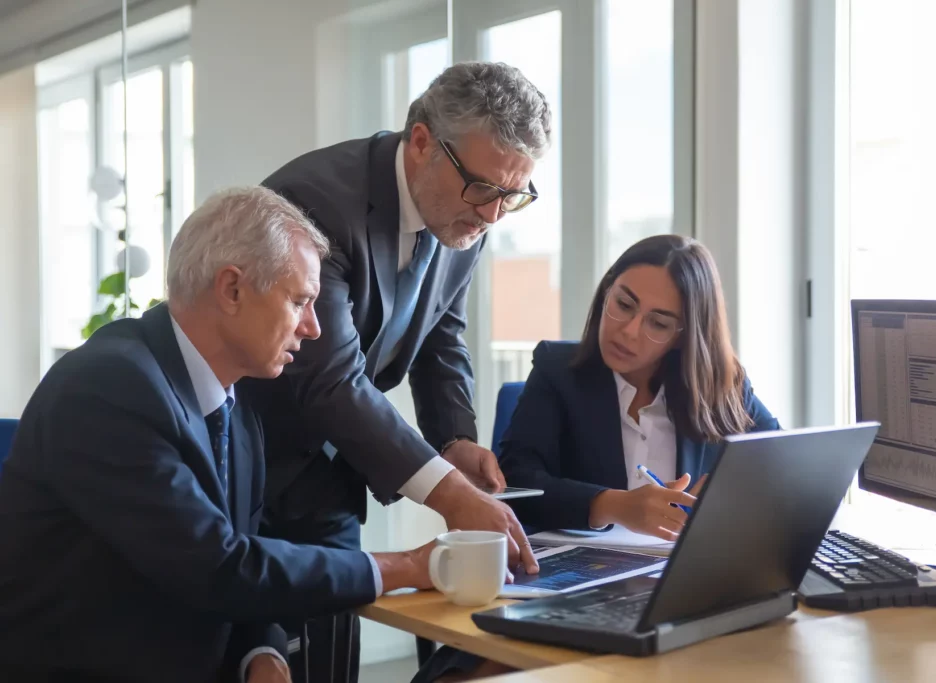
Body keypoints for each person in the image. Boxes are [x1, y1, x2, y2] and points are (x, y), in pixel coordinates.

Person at [0, 187, 437, 683]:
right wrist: (404, 566)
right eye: (300, 301)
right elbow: (218, 567)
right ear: (232, 289)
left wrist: (263, 655)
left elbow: (240, 562)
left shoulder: (237, 403)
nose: (314, 328)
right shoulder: (108, 386)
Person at [248, 61, 552, 677]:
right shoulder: (314, 203)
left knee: (329, 662)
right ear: (421, 143)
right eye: (485, 190)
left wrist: (456, 440)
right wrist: (450, 492)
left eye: (512, 195)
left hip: (332, 473)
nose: (494, 215)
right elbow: (329, 379)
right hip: (248, 465)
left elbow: (442, 336)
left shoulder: (470, 207)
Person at [500, 234, 781, 539]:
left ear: (683, 335)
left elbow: (783, 462)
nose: (629, 331)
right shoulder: (556, 370)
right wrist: (611, 505)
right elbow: (516, 484)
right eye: (623, 304)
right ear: (607, 291)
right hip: (587, 573)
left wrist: (730, 489)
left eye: (658, 323)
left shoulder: (720, 383)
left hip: (684, 571)